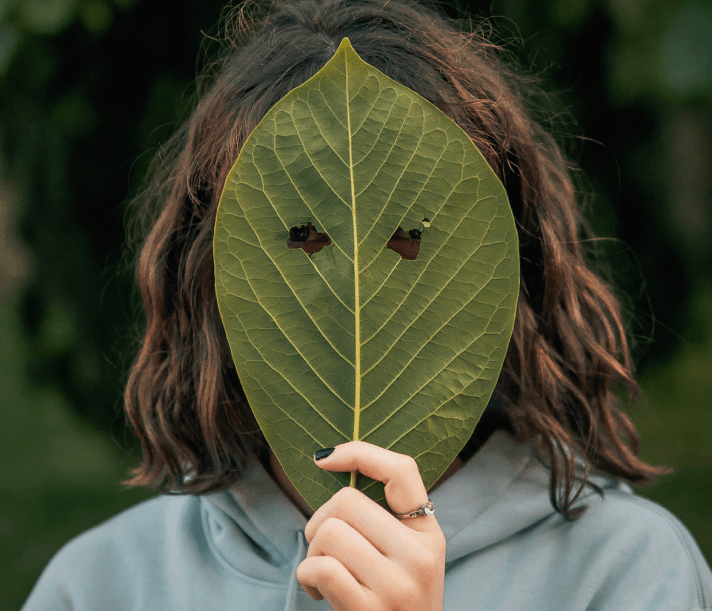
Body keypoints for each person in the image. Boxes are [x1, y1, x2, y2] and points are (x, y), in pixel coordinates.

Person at [22, 0, 712, 609]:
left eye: (410, 240)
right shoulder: (100, 586)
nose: (353, 285)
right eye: (301, 238)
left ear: (507, 269)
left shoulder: (627, 572)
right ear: (211, 275)